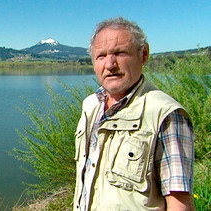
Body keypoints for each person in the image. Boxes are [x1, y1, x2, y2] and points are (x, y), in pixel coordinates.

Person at [73, 17, 195, 211]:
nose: (110, 64)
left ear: (144, 54)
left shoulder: (165, 114)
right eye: (101, 56)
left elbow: (179, 203)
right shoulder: (91, 105)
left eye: (120, 53)